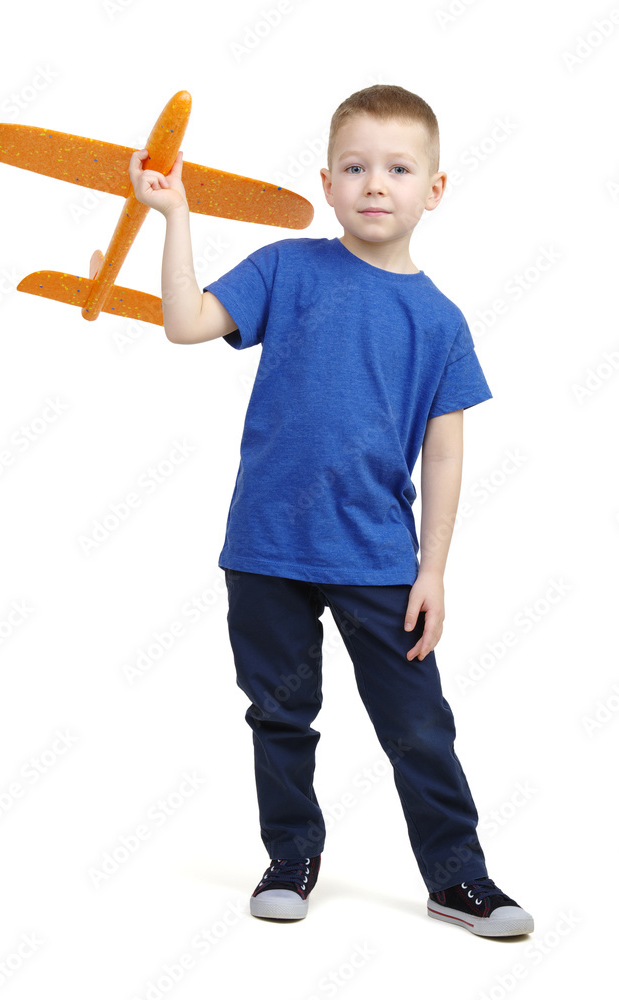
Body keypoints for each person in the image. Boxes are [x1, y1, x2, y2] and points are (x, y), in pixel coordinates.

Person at [129, 83, 533, 938]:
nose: (373, 184)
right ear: (325, 180)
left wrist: (432, 570)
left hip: (379, 560)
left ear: (435, 188)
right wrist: (175, 219)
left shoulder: (442, 321)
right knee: (279, 714)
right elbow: (183, 323)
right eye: (354, 167)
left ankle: (457, 878)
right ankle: (291, 858)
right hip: (267, 549)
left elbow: (446, 452)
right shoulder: (289, 268)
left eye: (396, 168)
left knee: (419, 726)